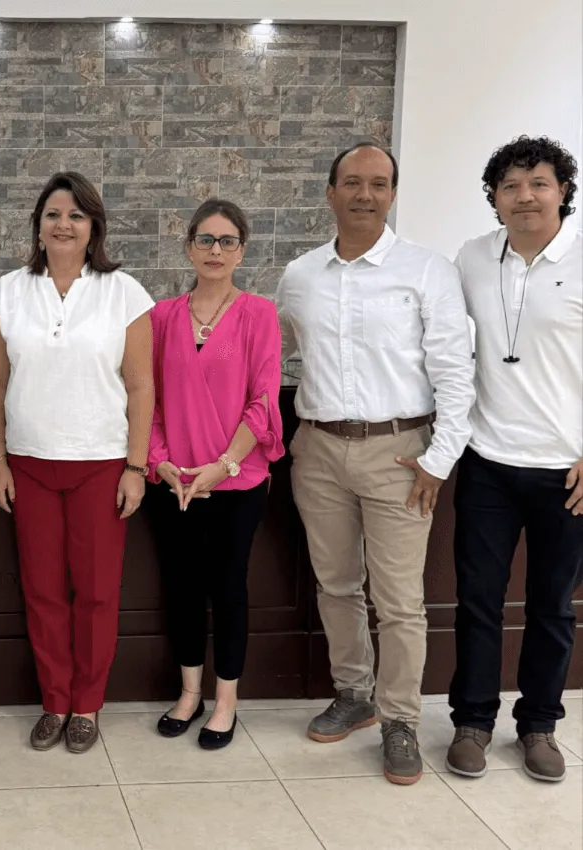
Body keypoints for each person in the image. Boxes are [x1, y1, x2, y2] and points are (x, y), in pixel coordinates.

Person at [275, 142, 475, 785]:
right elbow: (270, 355)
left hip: (401, 454)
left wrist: (437, 461)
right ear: (330, 192)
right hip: (318, 450)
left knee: (399, 601)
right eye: (353, 182)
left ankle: (400, 721)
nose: (366, 194)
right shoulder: (300, 275)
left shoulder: (427, 271)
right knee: (336, 585)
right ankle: (353, 694)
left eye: (379, 184)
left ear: (393, 193)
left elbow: (455, 372)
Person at [0, 171, 155, 754]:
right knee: (43, 592)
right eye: (53, 214)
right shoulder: (6, 293)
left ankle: (87, 705)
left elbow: (141, 385)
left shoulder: (124, 293)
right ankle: (54, 701)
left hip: (101, 464)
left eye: (76, 215)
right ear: (38, 226)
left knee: (97, 593)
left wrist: (136, 467)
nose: (63, 224)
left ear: (93, 227)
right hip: (29, 463)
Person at [445, 136, 583, 783]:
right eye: (511, 186)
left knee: (552, 605)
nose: (525, 196)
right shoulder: (473, 257)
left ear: (563, 191)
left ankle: (539, 726)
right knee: (477, 601)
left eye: (539, 183)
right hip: (488, 461)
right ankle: (472, 722)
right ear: (495, 199)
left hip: (567, 469)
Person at [145, 199, 283, 749]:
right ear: (188, 247)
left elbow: (263, 400)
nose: (216, 250)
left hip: (236, 480)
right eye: (205, 239)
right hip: (175, 482)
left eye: (227, 241)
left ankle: (225, 700)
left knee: (228, 588)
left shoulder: (259, 314)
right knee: (181, 587)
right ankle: (189, 693)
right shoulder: (161, 317)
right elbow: (149, 399)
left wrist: (223, 465)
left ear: (242, 252)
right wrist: (159, 461)